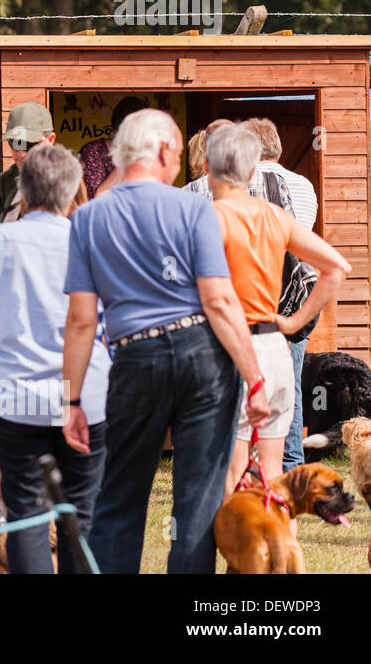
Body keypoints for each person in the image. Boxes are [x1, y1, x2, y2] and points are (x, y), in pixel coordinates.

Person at [60, 109, 268, 574]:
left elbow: (80, 321)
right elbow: (219, 300)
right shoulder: (194, 208)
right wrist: (254, 378)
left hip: (136, 354)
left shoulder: (89, 218)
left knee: (119, 500)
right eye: (175, 149)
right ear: (157, 151)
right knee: (195, 506)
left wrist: (71, 399)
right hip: (202, 354)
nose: (180, 160)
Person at [0, 144, 111, 574]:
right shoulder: (90, 241)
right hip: (86, 395)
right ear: (73, 188)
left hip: (14, 397)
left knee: (27, 514)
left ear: (21, 190)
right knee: (83, 513)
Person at [205, 124, 348, 494]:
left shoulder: (207, 219)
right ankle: (284, 549)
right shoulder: (276, 217)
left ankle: (241, 548)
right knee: (274, 476)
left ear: (207, 165)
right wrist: (294, 321)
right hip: (274, 346)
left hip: (227, 349)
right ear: (253, 170)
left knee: (232, 473)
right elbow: (336, 269)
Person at [243, 116, 320, 472]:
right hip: (298, 298)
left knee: (249, 384)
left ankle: (252, 465)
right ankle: (290, 463)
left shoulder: (246, 181)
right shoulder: (303, 184)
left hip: (256, 296)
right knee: (290, 386)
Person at [0, 102, 56, 223]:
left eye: (29, 144)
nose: (21, 153)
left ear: (50, 140)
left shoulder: (64, 184)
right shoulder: (9, 180)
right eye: (15, 143)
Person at [80, 96, 148, 199]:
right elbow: (96, 198)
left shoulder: (148, 153)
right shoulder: (93, 152)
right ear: (117, 130)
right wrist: (127, 161)